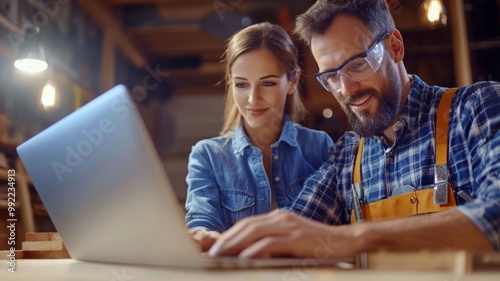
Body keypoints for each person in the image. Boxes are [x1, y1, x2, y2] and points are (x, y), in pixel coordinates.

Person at [207, 0, 500, 259]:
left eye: (357, 65)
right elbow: (290, 234)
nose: (346, 89)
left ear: (395, 47)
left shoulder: (475, 110)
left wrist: (355, 238)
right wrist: (216, 248)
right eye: (331, 76)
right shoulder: (347, 157)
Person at [185, 22, 334, 249]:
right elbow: (203, 220)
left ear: (292, 81)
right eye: (242, 84)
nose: (253, 99)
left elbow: (331, 227)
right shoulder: (207, 155)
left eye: (268, 83)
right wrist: (203, 236)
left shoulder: (319, 146)